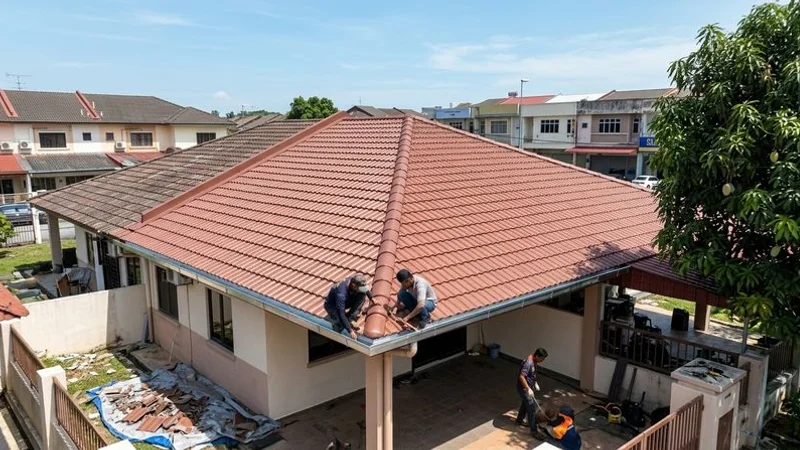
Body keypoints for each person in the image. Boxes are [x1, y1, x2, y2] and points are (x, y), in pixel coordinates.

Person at [324, 274, 372, 339]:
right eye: (360, 288)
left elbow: (364, 289)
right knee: (340, 325)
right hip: (333, 306)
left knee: (362, 294)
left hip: (347, 299)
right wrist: (350, 331)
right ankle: (347, 320)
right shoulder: (341, 294)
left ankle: (350, 317)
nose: (363, 289)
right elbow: (341, 314)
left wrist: (372, 298)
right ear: (354, 285)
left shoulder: (353, 280)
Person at [516, 348, 548, 437]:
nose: (542, 361)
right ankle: (534, 431)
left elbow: (531, 374)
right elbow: (522, 377)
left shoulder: (534, 361)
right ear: (537, 356)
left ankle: (519, 420)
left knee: (525, 404)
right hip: (524, 389)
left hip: (528, 387)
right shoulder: (528, 363)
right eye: (542, 359)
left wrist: (534, 382)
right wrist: (528, 388)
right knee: (531, 409)